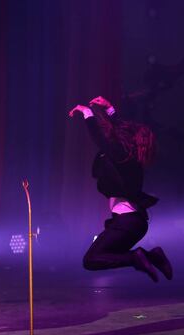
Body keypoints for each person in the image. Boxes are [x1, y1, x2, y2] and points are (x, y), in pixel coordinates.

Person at [69, 96, 172, 282]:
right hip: (133, 222)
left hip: (128, 222)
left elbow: (99, 138)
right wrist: (110, 108)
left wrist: (87, 113)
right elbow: (122, 127)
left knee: (91, 260)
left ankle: (137, 257)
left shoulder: (121, 155)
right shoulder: (129, 156)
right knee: (102, 256)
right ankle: (152, 256)